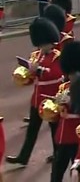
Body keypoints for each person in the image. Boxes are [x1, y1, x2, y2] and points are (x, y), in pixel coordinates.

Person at [7, 18, 62, 166]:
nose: (41, 46)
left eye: (43, 44)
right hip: (37, 98)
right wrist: (27, 74)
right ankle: (23, 157)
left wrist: (37, 70)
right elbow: (34, 77)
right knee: (32, 130)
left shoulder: (57, 56)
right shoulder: (37, 54)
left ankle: (58, 155)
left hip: (51, 98)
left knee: (54, 129)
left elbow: (56, 74)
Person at [50, 40, 80, 182]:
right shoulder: (64, 87)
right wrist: (57, 105)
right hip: (63, 135)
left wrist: (71, 102)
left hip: (78, 134)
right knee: (57, 169)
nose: (71, 76)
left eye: (74, 73)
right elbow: (59, 110)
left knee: (78, 169)